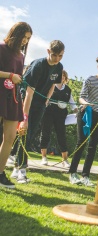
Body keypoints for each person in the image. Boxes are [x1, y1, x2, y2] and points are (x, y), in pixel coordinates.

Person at [11, 40, 65, 183]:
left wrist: (46, 100)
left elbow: (53, 85)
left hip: (41, 103)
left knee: (30, 135)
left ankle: (17, 168)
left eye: (60, 56)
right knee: (24, 133)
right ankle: (21, 169)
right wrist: (25, 117)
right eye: (54, 55)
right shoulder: (39, 65)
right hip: (27, 100)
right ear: (48, 51)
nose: (57, 59)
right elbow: (29, 93)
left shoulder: (59, 67)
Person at [68, 56, 98, 187]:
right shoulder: (90, 79)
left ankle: (85, 176)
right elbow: (81, 97)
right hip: (85, 113)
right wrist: (87, 104)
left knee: (93, 146)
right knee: (81, 142)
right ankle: (72, 173)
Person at [0, 22, 32, 188]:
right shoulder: (1, 48)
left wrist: (18, 78)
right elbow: (9, 74)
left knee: (10, 137)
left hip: (12, 98)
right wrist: (9, 75)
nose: (25, 41)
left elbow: (17, 76)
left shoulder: (21, 56)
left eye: (28, 39)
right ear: (15, 34)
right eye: (24, 37)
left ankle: (0, 172)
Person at [40, 70, 78, 168]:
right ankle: (44, 157)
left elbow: (72, 103)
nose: (61, 77)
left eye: (63, 76)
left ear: (65, 78)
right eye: (60, 76)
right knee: (45, 134)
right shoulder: (50, 86)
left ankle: (65, 159)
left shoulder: (68, 90)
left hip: (61, 115)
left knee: (61, 136)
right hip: (48, 113)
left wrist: (77, 112)